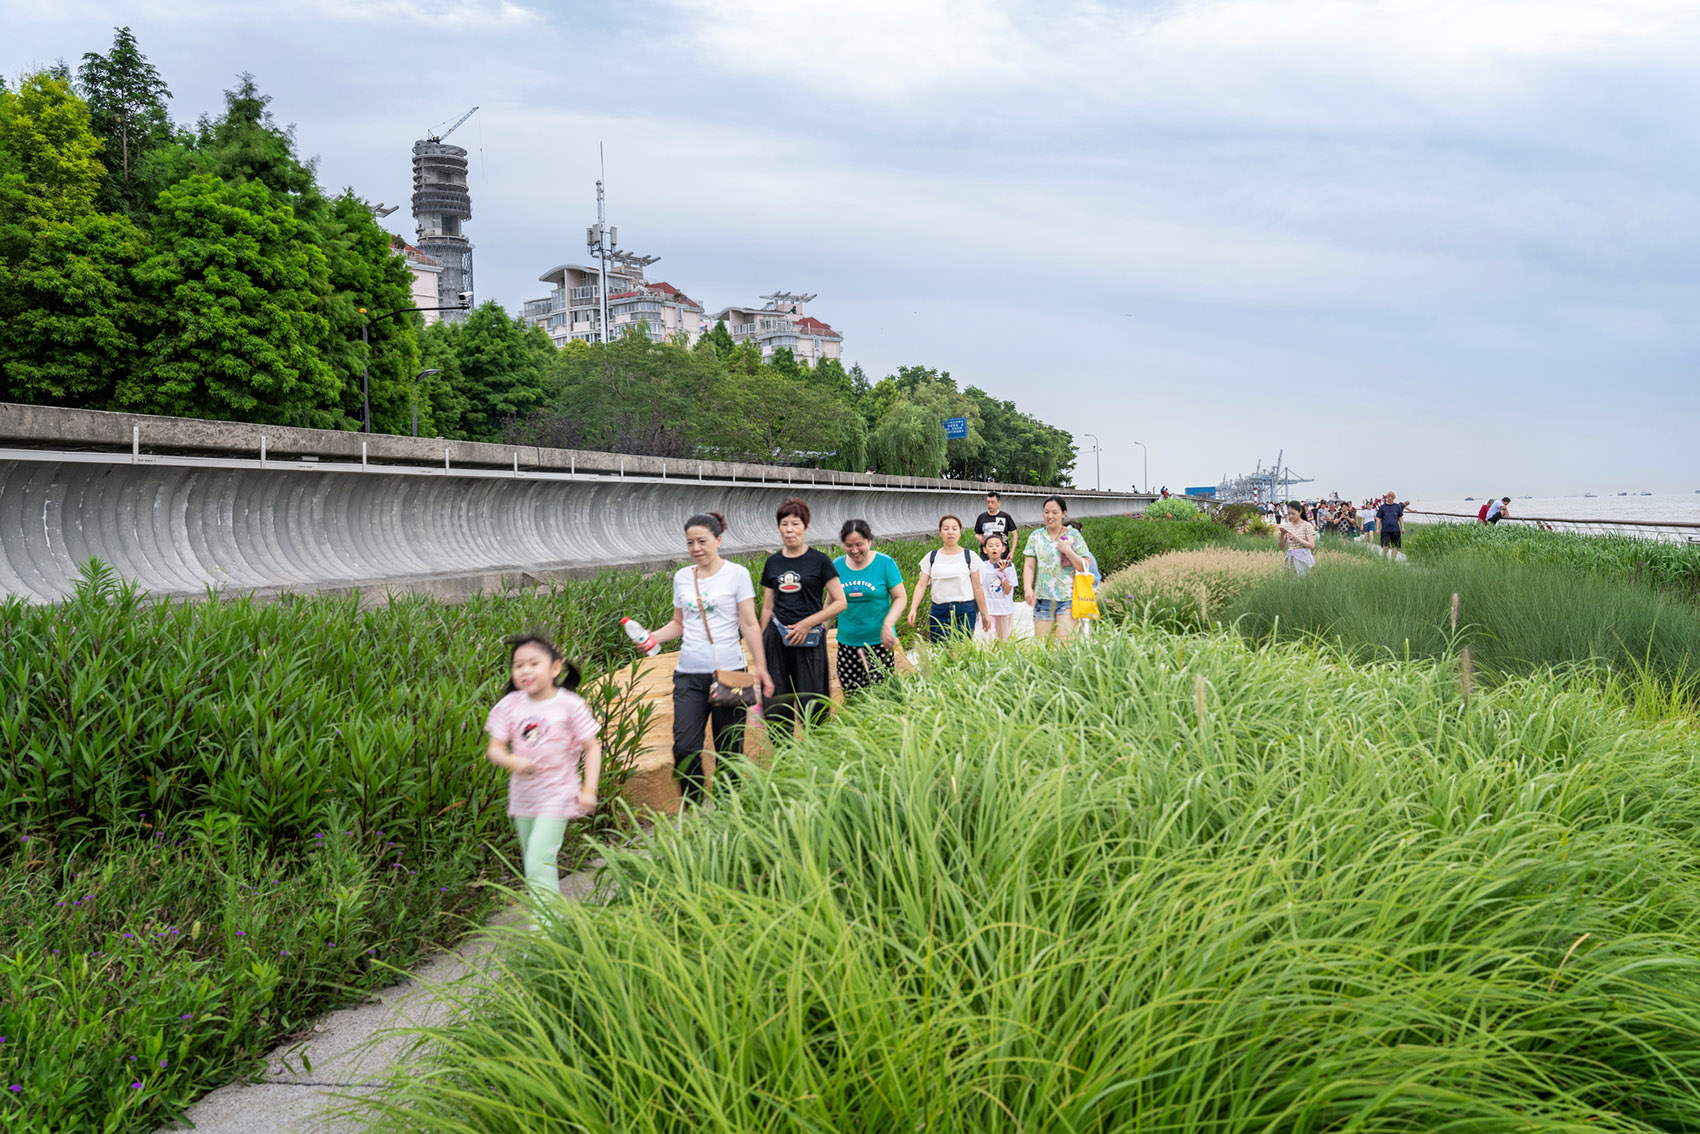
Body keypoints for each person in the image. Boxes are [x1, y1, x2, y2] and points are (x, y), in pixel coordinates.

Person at [645, 512, 775, 806]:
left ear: (718, 540)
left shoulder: (737, 574)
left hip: (730, 672)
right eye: (690, 542)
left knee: (729, 747)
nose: (696, 548)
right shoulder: (682, 577)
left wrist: (761, 668)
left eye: (702, 541)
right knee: (685, 746)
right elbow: (678, 623)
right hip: (689, 673)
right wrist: (653, 637)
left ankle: (729, 809)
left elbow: (749, 624)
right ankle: (694, 807)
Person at [484, 632, 602, 902]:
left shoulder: (570, 705)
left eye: (533, 663)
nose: (525, 670)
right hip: (524, 796)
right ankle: (549, 928)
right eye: (518, 665)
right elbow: (495, 749)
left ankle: (545, 934)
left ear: (555, 668)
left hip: (559, 793)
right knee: (535, 864)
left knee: (539, 858)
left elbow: (592, 747)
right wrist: (514, 761)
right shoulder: (509, 706)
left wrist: (589, 789)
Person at [759, 497, 846, 729]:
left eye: (795, 523)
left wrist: (808, 623)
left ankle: (814, 755)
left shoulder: (820, 561)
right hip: (777, 639)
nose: (789, 530)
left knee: (813, 703)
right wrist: (761, 644)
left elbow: (839, 602)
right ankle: (784, 757)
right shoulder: (773, 563)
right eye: (784, 524)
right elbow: (767, 606)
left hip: (809, 641)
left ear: (806, 527)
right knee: (777, 706)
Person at [832, 519, 908, 694]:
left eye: (859, 544)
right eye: (849, 545)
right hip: (847, 644)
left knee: (882, 696)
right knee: (853, 698)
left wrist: (889, 623)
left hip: (880, 643)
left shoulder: (885, 563)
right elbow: (831, 603)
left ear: (869, 541)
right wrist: (820, 632)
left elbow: (900, 597)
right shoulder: (837, 566)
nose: (854, 550)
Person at [907, 515, 990, 640]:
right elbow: (921, 585)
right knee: (941, 652)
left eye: (954, 528)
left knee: (960, 651)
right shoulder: (931, 557)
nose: (950, 532)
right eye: (946, 528)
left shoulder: (969, 556)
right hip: (939, 610)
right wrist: (913, 608)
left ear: (960, 532)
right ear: (940, 532)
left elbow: (977, 587)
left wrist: (984, 614)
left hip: (965, 610)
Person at [1023, 495, 1092, 643]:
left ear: (1063, 513)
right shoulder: (1036, 536)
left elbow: (1084, 565)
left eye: (1054, 512)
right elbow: (1029, 565)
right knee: (1042, 646)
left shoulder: (1073, 535)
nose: (1050, 516)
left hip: (1068, 598)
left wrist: (1068, 550)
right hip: (1043, 598)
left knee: (1064, 643)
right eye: (1046, 512)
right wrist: (1028, 588)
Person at [980, 532, 1018, 640]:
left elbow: (1007, 590)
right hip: (989, 610)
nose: (994, 548)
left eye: (997, 545)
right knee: (989, 640)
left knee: (1004, 641)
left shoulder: (1009, 566)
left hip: (1004, 609)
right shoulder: (982, 566)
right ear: (985, 550)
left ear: (1003, 548)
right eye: (990, 546)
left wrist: (1001, 573)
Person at [1277, 502, 1318, 576]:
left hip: (1303, 557)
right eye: (1289, 514)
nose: (1290, 516)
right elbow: (1281, 547)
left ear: (1300, 512)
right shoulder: (1288, 526)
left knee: (1304, 578)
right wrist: (1282, 535)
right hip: (1291, 558)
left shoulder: (1307, 526)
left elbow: (1312, 545)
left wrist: (1296, 538)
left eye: (1293, 513)